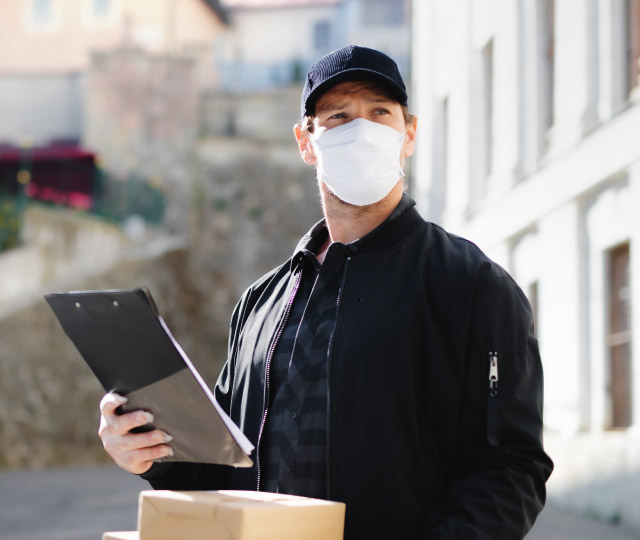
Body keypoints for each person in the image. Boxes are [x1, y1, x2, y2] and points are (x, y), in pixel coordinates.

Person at [98, 45, 553, 539]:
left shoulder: (472, 287)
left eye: (380, 113)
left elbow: (510, 469)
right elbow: (220, 468)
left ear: (409, 134)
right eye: (338, 117)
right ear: (306, 141)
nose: (362, 130)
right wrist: (149, 452)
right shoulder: (260, 303)